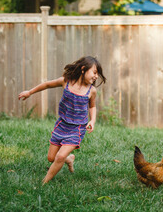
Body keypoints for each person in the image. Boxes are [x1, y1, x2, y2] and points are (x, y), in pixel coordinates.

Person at [18, 56, 106, 184]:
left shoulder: (91, 91)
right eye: (94, 72)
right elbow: (47, 84)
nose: (96, 76)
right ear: (83, 69)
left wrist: (92, 121)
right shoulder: (66, 81)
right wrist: (30, 92)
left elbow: (92, 106)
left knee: (59, 157)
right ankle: (69, 159)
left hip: (77, 128)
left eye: (98, 74)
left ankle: (44, 183)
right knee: (51, 158)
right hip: (62, 124)